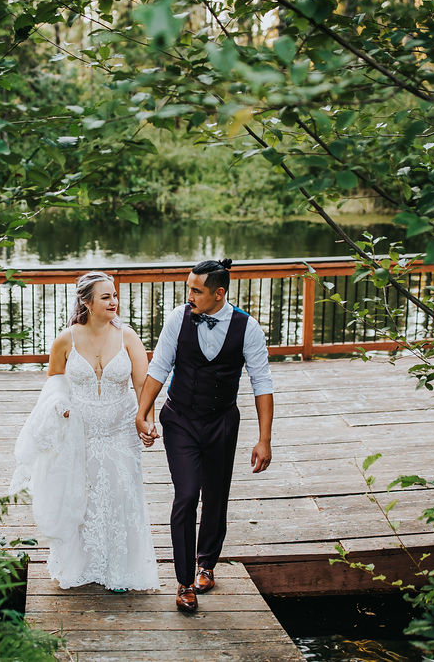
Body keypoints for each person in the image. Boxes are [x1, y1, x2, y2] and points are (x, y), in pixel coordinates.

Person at [135, 258, 274, 613]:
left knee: (215, 495)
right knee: (186, 496)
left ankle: (206, 563)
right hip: (179, 419)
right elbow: (158, 367)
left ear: (219, 293)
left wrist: (264, 439)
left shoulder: (249, 328)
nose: (190, 295)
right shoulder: (176, 319)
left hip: (222, 423)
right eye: (189, 288)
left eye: (196, 290)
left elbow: (262, 383)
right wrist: (142, 413)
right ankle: (183, 582)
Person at [9, 271, 159, 592]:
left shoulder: (129, 337)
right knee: (83, 494)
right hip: (81, 429)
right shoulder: (66, 340)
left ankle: (120, 571)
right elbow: (55, 384)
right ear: (87, 303)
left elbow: (143, 386)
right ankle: (82, 564)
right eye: (106, 297)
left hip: (121, 426)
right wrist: (61, 405)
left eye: (115, 295)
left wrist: (147, 420)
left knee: (121, 494)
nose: (114, 302)